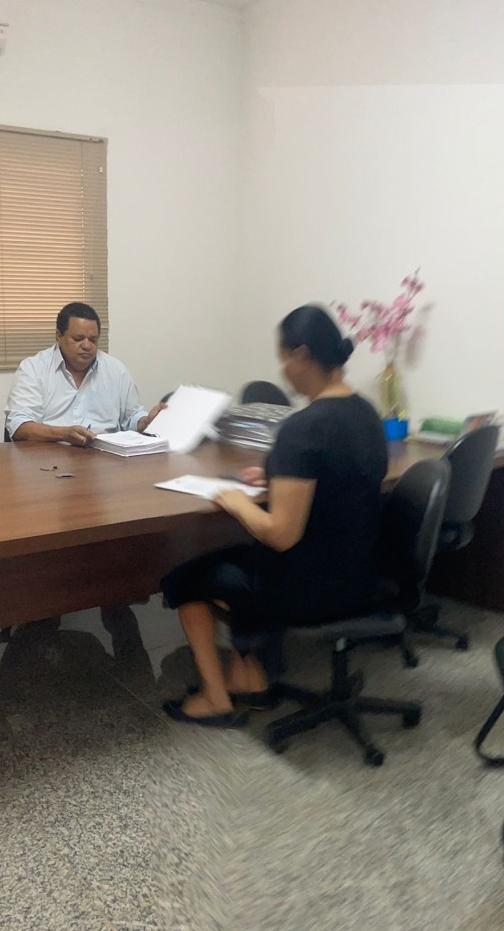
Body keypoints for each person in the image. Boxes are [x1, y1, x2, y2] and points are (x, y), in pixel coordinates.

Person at [160, 304, 388, 727]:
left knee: (187, 580)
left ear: (301, 355)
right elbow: (338, 478)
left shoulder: (303, 428)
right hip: (361, 574)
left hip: (311, 589)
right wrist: (276, 476)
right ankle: (251, 679)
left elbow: (281, 534)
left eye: (283, 358)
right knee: (239, 564)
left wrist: (236, 500)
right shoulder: (366, 414)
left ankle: (215, 699)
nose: (283, 371)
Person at [4, 302, 165, 445]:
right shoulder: (33, 369)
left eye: (93, 340)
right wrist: (64, 434)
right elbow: (19, 426)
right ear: (59, 336)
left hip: (104, 459)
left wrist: (146, 421)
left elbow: (131, 417)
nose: (87, 346)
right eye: (78, 338)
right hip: (48, 459)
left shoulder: (116, 370)